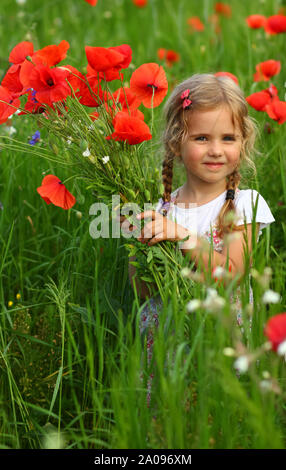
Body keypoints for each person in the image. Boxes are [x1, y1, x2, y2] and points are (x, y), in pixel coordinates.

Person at [124, 73, 275, 407]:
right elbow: (143, 291)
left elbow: (232, 273)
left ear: (243, 142)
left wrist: (182, 236)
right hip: (165, 345)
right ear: (177, 142)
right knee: (167, 422)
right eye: (203, 138)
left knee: (216, 416)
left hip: (219, 340)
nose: (216, 150)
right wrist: (136, 245)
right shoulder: (162, 209)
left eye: (228, 138)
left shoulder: (243, 204)